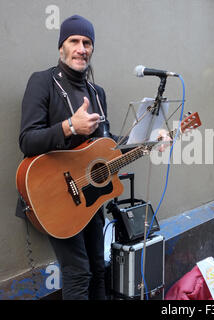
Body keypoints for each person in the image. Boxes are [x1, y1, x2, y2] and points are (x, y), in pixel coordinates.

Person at [16, 15, 116, 299]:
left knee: (99, 266)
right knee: (78, 273)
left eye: (87, 42)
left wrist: (149, 139)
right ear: (62, 47)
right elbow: (27, 140)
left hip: (91, 195)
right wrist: (69, 126)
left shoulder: (97, 93)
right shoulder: (42, 82)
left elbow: (105, 143)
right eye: (74, 41)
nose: (81, 48)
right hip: (55, 195)